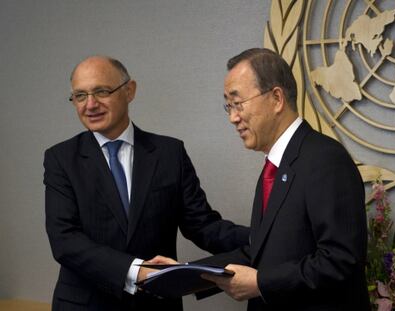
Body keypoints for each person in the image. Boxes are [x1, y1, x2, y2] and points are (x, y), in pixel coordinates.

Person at [152, 48, 370, 310]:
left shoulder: (325, 159)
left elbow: (341, 260)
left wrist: (262, 282)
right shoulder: (274, 168)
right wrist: (183, 272)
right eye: (228, 106)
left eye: (238, 103)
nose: (233, 117)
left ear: (276, 98)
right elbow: (261, 250)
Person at [43, 55, 249, 311]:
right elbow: (65, 241)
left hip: (155, 304)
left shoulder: (169, 153)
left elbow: (203, 226)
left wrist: (266, 238)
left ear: (130, 91)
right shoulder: (61, 159)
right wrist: (137, 270)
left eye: (101, 91)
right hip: (85, 305)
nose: (90, 104)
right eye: (80, 96)